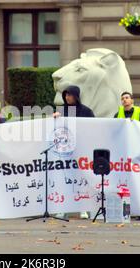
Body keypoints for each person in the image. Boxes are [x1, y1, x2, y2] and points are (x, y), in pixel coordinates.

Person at [54, 85, 95, 219]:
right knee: (65, 180)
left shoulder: (86, 111)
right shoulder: (61, 111)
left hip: (82, 152)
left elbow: (94, 129)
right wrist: (54, 118)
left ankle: (83, 208)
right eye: (65, 95)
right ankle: (64, 209)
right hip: (66, 152)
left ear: (76, 96)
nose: (67, 97)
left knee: (82, 180)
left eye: (70, 95)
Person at [114, 91, 140, 221]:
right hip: (122, 154)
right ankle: (124, 212)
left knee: (137, 184)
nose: (124, 100)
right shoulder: (117, 115)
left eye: (127, 98)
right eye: (122, 98)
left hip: (136, 153)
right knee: (123, 184)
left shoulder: (139, 114)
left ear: (132, 100)